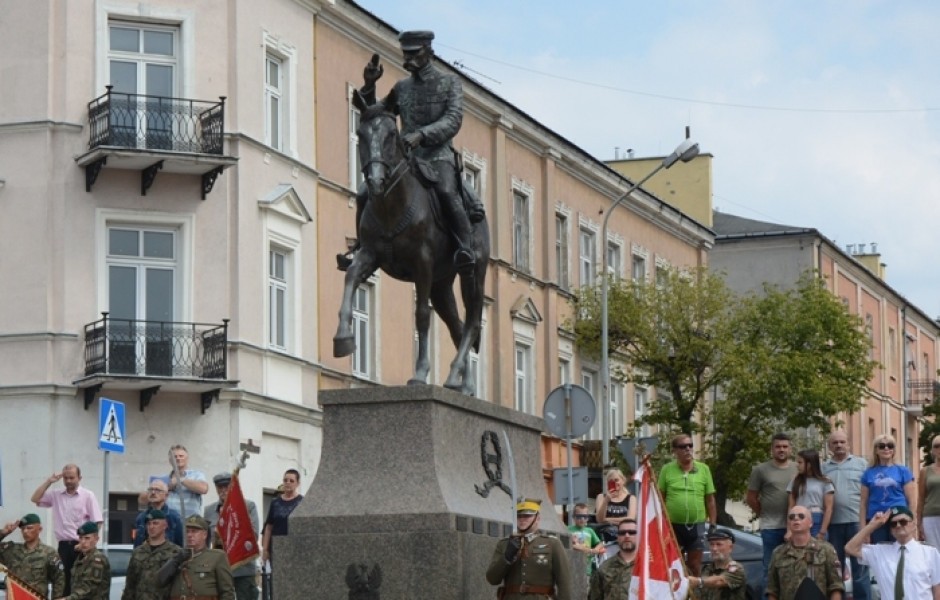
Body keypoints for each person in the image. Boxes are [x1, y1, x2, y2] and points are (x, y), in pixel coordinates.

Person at [337, 30, 484, 274]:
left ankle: (464, 248)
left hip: (438, 157)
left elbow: (453, 119)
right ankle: (362, 247)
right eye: (406, 54)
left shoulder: (449, 83)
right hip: (406, 159)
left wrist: (423, 135)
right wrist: (369, 84)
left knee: (447, 192)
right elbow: (376, 113)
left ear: (428, 51)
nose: (409, 59)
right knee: (365, 193)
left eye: (414, 54)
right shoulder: (401, 87)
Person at [30, 463, 103, 595]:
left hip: (81, 547)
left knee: (79, 585)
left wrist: (86, 544)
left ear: (79, 478)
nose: (68, 481)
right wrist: (49, 481)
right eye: (66, 478)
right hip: (63, 547)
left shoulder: (88, 496)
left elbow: (97, 523)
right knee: (62, 584)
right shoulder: (56, 495)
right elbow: (35, 498)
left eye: (72, 478)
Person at [485, 498, 572, 600]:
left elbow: (564, 581)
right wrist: (506, 557)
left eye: (527, 516)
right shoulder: (504, 544)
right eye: (519, 516)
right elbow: (492, 579)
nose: (522, 519)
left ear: (537, 518)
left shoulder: (552, 543)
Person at [847, 505, 940, 599]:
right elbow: (850, 548)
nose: (898, 525)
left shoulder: (930, 553)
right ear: (891, 531)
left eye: (903, 522)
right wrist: (872, 526)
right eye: (893, 524)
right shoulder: (880, 551)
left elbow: (937, 590)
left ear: (913, 525)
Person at [657, 433, 717, 576]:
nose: (688, 449)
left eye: (690, 445)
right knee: (672, 566)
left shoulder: (703, 469)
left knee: (695, 566)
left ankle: (694, 596)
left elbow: (710, 499)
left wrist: (713, 524)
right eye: (683, 447)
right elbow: (660, 499)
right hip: (673, 525)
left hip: (696, 525)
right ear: (675, 451)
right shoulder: (667, 469)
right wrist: (661, 523)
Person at [747, 432, 798, 596]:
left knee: (794, 568)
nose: (781, 450)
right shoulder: (760, 470)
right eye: (778, 447)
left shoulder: (798, 468)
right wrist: (763, 514)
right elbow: (751, 498)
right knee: (770, 568)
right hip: (770, 527)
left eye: (785, 446)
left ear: (790, 449)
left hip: (796, 527)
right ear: (772, 449)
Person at [821, 430, 871, 600]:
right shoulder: (823, 468)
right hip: (833, 525)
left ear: (849, 444)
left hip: (857, 523)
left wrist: (867, 525)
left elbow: (869, 494)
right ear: (829, 446)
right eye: (835, 443)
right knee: (836, 570)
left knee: (861, 570)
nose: (839, 445)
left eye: (842, 442)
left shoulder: (862, 464)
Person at [766, 505, 843, 600]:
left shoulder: (826, 550)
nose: (796, 519)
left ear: (810, 523)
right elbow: (772, 590)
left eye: (801, 516)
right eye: (791, 517)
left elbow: (836, 586)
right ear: (789, 523)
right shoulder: (778, 553)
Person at [205, 472, 259, 600]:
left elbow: (254, 536)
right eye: (220, 487)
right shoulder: (209, 510)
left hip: (243, 568)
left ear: (233, 487)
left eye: (226, 486)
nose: (223, 490)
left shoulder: (248, 506)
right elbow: (206, 540)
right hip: (219, 569)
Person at [157, 514, 235, 600]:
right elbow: (159, 582)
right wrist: (176, 560)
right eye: (187, 531)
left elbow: (227, 592)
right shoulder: (176, 556)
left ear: (204, 534)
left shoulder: (217, 557)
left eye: (194, 531)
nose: (189, 535)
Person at [860, 434, 915, 544]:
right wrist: (863, 530)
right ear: (876, 450)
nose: (886, 448)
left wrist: (913, 524)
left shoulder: (903, 471)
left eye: (890, 446)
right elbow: (863, 503)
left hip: (899, 518)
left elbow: (912, 501)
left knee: (900, 551)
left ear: (894, 450)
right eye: (882, 446)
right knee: (880, 553)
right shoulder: (868, 473)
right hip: (876, 520)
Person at [0, 513, 65, 599]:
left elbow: (59, 579)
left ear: (39, 529)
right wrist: (3, 532)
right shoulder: (12, 550)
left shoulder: (49, 553)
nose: (25, 531)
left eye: (29, 528)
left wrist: (56, 598)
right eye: (23, 529)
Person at [122, 509, 181, 600]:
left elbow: (179, 585)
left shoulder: (175, 552)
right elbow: (130, 585)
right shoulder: (138, 552)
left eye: (155, 523)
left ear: (165, 525)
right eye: (149, 524)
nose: (151, 527)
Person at [261, 468, 302, 597]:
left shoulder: (301, 501)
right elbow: (269, 526)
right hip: (277, 549)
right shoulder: (275, 502)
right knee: (277, 582)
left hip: (295, 547)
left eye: (291, 480)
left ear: (297, 483)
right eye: (285, 480)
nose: (288, 483)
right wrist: (265, 549)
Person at [140, 445, 209, 518]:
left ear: (187, 459)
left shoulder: (196, 474)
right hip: (168, 522)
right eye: (175, 456)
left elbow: (204, 489)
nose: (178, 458)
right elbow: (142, 500)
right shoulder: (162, 479)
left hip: (190, 522)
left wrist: (181, 480)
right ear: (170, 460)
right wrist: (164, 488)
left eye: (181, 456)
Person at [786, 449, 835, 539]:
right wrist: (789, 530)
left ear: (809, 464)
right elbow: (791, 506)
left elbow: (829, 508)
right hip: (798, 519)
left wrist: (823, 531)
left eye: (800, 462)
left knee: (818, 550)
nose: (797, 465)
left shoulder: (825, 481)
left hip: (817, 520)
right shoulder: (795, 481)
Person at [687, 529, 747, 600]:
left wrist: (698, 581)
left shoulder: (736, 568)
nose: (714, 548)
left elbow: (719, 581)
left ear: (730, 548)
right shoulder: (707, 569)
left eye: (719, 544)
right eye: (712, 544)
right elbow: (698, 594)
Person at [587, 519, 636, 600]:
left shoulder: (649, 569)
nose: (627, 535)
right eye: (622, 533)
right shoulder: (604, 569)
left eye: (632, 532)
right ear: (618, 537)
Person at [62, 521, 111, 600]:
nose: (83, 542)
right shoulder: (81, 558)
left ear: (96, 539)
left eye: (87, 538)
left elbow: (88, 588)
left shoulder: (97, 559)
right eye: (81, 538)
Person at [132, 479, 183, 548]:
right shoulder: (141, 517)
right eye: (150, 490)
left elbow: (181, 545)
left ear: (166, 496)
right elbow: (137, 545)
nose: (153, 492)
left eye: (157, 490)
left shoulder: (174, 517)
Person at [595, 468, 636, 542]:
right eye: (611, 481)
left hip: (625, 536)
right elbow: (600, 519)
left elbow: (630, 519)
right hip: (606, 537)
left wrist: (607, 520)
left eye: (617, 480)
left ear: (623, 481)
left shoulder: (631, 498)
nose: (615, 483)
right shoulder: (601, 497)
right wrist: (606, 501)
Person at [567, 503, 605, 578]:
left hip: (587, 566)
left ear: (587, 518)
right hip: (572, 565)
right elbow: (569, 545)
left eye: (584, 517)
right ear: (573, 517)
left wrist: (596, 549)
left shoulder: (589, 531)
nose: (582, 519)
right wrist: (590, 550)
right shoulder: (568, 529)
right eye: (579, 517)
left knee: (586, 586)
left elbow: (601, 543)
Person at [917, 433, 940, 548]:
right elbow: (921, 498)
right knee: (934, 553)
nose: (939, 449)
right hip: (930, 517)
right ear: (932, 450)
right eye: (936, 446)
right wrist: (919, 523)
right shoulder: (925, 471)